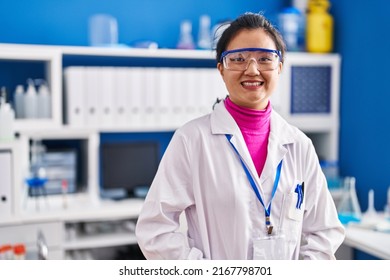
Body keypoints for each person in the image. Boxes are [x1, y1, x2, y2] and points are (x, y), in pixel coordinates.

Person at [135, 12, 345, 260]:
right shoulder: (191, 140)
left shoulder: (299, 145)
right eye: (238, 59)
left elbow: (325, 231)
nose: (252, 69)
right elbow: (154, 230)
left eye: (265, 58)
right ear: (221, 69)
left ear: (279, 68)